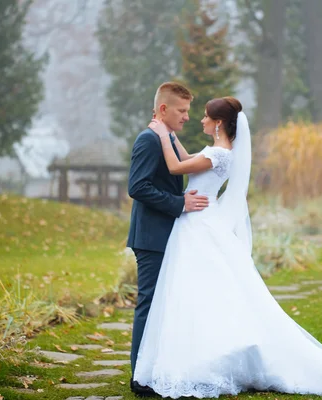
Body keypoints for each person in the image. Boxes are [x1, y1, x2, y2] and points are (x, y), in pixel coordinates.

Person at [132, 96, 322, 400]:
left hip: (198, 222)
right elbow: (186, 158)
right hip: (195, 222)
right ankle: (187, 356)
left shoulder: (219, 154)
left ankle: (198, 358)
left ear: (218, 123)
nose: (199, 120)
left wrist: (161, 135)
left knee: (197, 292)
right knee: (191, 293)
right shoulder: (216, 151)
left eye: (205, 117)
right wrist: (170, 135)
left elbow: (175, 168)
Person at [127, 82, 211, 396]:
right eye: (182, 110)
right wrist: (179, 204)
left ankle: (155, 370)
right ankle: (140, 377)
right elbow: (137, 187)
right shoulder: (149, 140)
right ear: (163, 109)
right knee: (148, 304)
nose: (187, 117)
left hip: (167, 234)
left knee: (163, 305)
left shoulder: (167, 138)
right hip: (151, 236)